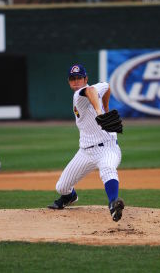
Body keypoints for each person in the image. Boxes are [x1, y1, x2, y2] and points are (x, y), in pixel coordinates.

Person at [48, 64, 124, 222]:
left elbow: (101, 89)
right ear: (69, 82)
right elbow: (101, 89)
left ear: (85, 79)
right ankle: (70, 197)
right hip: (85, 152)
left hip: (107, 148)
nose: (76, 81)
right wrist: (102, 109)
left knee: (108, 169)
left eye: (79, 78)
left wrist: (103, 109)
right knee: (61, 187)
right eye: (72, 79)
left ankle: (113, 203)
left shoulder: (87, 90)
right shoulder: (78, 96)